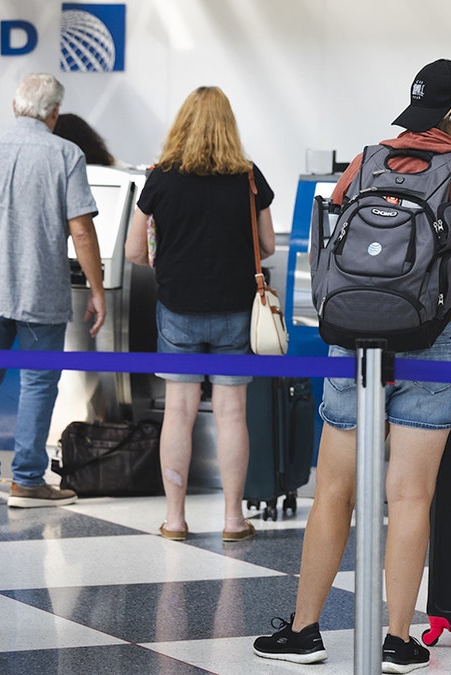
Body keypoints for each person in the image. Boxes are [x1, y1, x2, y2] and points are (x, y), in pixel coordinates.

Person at [253, 59, 451, 673]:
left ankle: (304, 632)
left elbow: (332, 247)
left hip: (354, 342)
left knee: (332, 492)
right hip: (439, 345)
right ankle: (399, 640)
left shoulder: (364, 163)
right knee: (409, 497)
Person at [124, 86, 275, 542]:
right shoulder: (248, 177)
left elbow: (134, 250)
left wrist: (173, 261)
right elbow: (266, 246)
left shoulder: (161, 177)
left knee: (179, 412)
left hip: (178, 309)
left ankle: (175, 519)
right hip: (235, 310)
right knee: (231, 414)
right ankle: (233, 519)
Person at [0, 73, 106, 509]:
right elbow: (81, 229)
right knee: (38, 383)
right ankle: (26, 480)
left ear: (14, 106)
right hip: (39, 290)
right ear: (54, 113)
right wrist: (97, 290)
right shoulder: (66, 153)